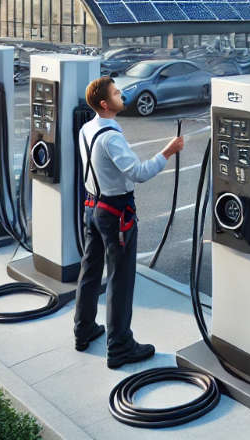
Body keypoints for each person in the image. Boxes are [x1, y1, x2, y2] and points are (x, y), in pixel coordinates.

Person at [73, 76, 185, 368]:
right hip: (115, 212)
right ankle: (120, 345)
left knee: (90, 270)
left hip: (91, 205)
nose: (121, 95)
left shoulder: (87, 129)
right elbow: (138, 173)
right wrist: (167, 152)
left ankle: (83, 329)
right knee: (120, 280)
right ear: (104, 103)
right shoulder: (111, 137)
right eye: (115, 93)